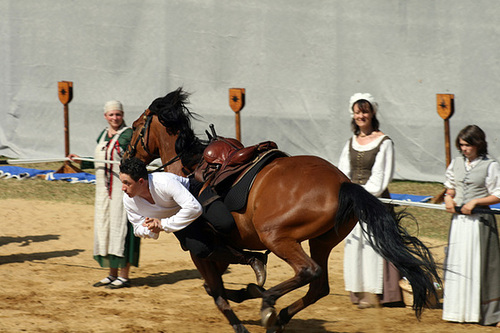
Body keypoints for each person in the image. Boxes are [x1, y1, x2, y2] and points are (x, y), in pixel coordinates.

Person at [118, 157, 267, 286]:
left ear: (141, 181)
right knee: (200, 250)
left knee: (225, 223)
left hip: (194, 194)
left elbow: (194, 208)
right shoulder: (129, 200)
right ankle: (252, 259)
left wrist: (162, 224)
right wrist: (151, 228)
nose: (123, 188)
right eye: (122, 182)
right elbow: (137, 228)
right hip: (176, 217)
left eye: (127, 183)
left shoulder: (164, 182)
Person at [338, 93, 403, 309]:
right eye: (357, 112)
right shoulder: (351, 142)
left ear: (372, 112)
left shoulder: (384, 142)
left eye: (364, 111)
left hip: (374, 202)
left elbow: (381, 178)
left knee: (372, 245)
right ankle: (357, 290)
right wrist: (346, 195)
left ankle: (375, 293)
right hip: (354, 203)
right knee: (355, 243)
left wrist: (360, 196)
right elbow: (343, 172)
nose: (361, 116)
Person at [68, 100, 140, 289]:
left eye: (118, 114)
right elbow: (103, 158)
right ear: (105, 116)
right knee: (106, 228)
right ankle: (111, 274)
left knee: (121, 229)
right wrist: (81, 161)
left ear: (122, 115)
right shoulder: (102, 135)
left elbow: (133, 160)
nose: (115, 118)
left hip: (121, 192)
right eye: (111, 115)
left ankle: (124, 276)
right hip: (103, 193)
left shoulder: (128, 135)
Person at [442, 125, 500, 327]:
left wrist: (476, 202)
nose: (464, 149)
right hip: (459, 223)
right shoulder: (457, 163)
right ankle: (457, 309)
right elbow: (450, 186)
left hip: (479, 224)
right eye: (461, 145)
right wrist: (449, 198)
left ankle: (486, 312)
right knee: (458, 263)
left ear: (478, 144)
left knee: (480, 264)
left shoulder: (490, 165)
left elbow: (498, 193)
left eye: (468, 145)